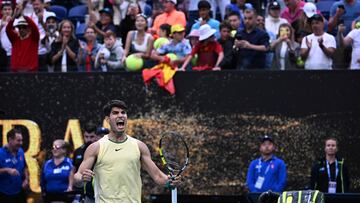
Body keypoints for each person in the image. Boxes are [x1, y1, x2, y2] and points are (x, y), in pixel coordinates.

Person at [74, 100, 179, 203]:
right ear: (107, 119)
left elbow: (158, 176)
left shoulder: (139, 146)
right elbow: (77, 177)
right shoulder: (96, 147)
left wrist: (169, 181)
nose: (121, 115)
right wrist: (81, 179)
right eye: (115, 113)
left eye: (123, 112)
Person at [73, 123, 109, 203]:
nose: (101, 138)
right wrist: (81, 179)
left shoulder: (116, 151)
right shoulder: (83, 152)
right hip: (89, 194)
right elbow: (77, 173)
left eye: (104, 136)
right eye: (99, 136)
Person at [6, 6, 40, 72]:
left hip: (30, 72)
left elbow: (34, 27)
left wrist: (23, 15)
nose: (21, 29)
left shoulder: (34, 38)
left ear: (29, 28)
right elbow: (8, 29)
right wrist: (14, 16)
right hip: (15, 72)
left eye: (24, 27)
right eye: (19, 27)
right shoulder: (15, 39)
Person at [0, 128, 29, 203]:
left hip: (20, 193)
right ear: (10, 140)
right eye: (18, 140)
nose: (21, 143)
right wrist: (6, 170)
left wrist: (26, 179)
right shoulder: (1, 153)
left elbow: (25, 167)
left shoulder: (21, 151)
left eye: (21, 140)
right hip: (4, 194)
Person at [0, 1, 13, 71]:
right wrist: (1, 26)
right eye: (5, 9)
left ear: (12, 11)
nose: (7, 11)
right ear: (1, 11)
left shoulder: (17, 22)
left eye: (9, 9)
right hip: (1, 54)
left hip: (13, 54)